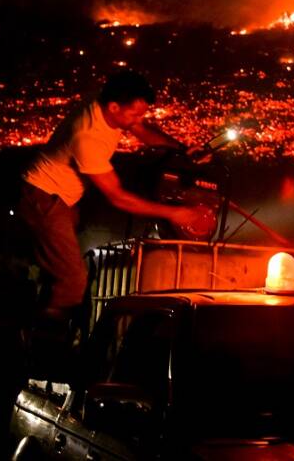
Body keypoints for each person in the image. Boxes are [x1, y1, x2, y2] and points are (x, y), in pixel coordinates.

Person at [18, 70, 203, 326]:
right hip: (43, 198)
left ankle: (42, 313)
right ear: (114, 107)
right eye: (134, 113)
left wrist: (182, 150)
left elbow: (141, 129)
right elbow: (118, 198)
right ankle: (47, 339)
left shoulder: (107, 103)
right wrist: (175, 213)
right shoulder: (87, 137)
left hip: (61, 199)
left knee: (57, 270)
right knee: (73, 278)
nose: (139, 119)